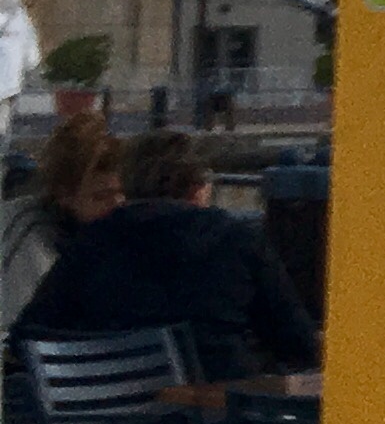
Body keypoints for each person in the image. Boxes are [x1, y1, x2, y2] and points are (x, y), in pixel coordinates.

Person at [15, 130, 320, 378]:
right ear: (199, 188)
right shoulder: (237, 239)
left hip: (113, 423)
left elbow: (27, 336)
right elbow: (299, 344)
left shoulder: (92, 242)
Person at [3, 108, 128, 335]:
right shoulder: (28, 235)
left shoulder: (107, 232)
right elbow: (14, 329)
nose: (118, 204)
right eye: (101, 196)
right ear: (65, 195)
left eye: (122, 193)